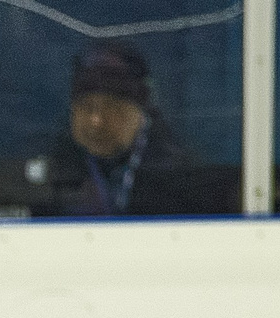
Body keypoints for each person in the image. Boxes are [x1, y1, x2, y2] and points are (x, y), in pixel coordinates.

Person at [48, 42, 196, 217]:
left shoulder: (183, 176)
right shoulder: (49, 166)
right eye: (85, 106)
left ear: (140, 112)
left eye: (111, 106)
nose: (96, 121)